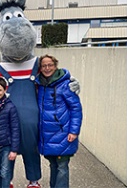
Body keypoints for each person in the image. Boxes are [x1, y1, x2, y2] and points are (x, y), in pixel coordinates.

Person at [35, 55, 83, 188]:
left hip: (64, 132)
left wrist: (74, 131)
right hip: (47, 134)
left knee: (62, 166)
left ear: (55, 66)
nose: (47, 68)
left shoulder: (66, 85)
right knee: (53, 164)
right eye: (44, 66)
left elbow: (76, 109)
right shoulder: (39, 85)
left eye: (50, 65)